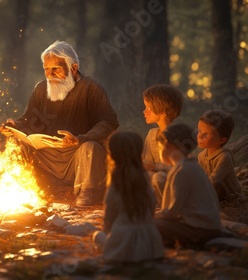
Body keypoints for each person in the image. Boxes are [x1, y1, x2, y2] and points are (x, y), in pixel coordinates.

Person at [0, 40, 119, 206]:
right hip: (47, 157)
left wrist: (80, 139)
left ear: (73, 68)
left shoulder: (91, 88)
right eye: (46, 69)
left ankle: (87, 193)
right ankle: (19, 188)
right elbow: (29, 121)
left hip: (77, 158)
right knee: (16, 143)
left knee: (89, 148)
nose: (49, 74)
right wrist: (15, 126)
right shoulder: (41, 88)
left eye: (55, 69)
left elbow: (109, 122)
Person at [92, 131, 164, 263]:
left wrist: (110, 236)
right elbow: (152, 204)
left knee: (97, 236)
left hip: (122, 243)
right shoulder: (145, 178)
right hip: (151, 244)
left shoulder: (116, 182)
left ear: (112, 155)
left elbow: (109, 217)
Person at [154, 123, 222, 248]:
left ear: (168, 145)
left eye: (159, 147)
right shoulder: (192, 166)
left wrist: (147, 215)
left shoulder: (182, 170)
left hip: (200, 230)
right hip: (209, 226)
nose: (159, 151)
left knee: (150, 224)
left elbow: (171, 213)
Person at [142, 84, 183, 205]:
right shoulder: (152, 134)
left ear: (162, 112)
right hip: (155, 181)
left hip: (173, 184)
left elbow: (180, 169)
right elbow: (147, 162)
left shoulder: (178, 137)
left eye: (148, 107)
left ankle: (168, 206)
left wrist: (155, 166)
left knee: (158, 177)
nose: (144, 111)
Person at [197, 110, 244, 202]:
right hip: (209, 188)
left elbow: (215, 178)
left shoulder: (224, 157)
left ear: (222, 140)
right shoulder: (201, 156)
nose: (200, 136)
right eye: (199, 131)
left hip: (229, 194)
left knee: (216, 184)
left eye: (205, 134)